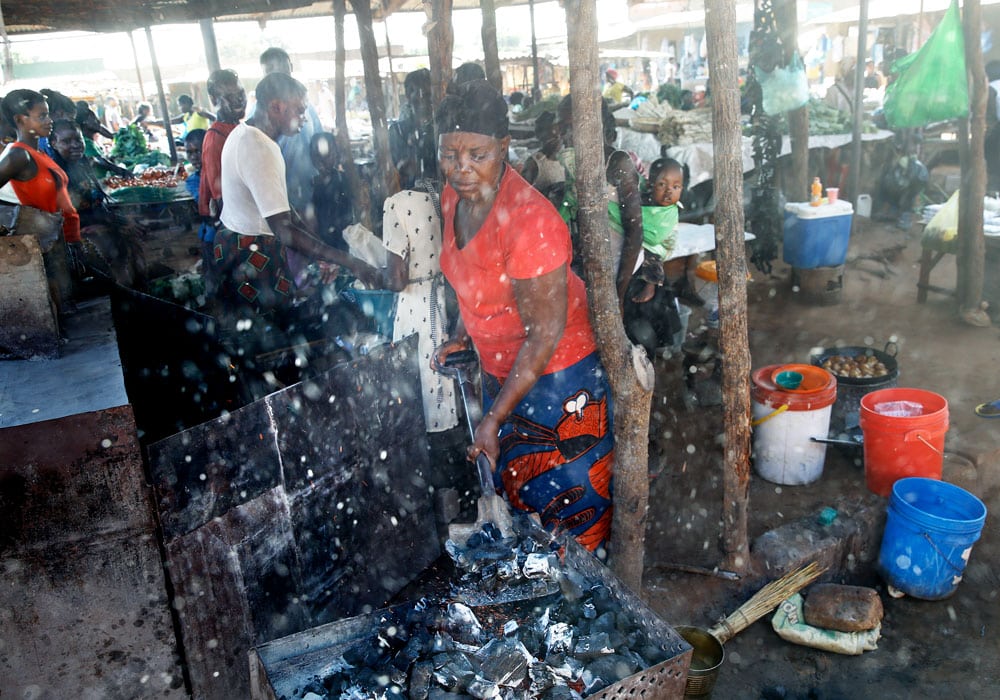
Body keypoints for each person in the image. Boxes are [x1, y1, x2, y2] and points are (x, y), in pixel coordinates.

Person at [432, 79, 615, 554]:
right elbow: (468, 278)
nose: (462, 168)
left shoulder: (532, 221)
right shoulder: (453, 198)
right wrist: (463, 333)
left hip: (558, 378)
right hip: (503, 373)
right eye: (450, 154)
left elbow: (545, 333)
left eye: (477, 154)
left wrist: (493, 416)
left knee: (569, 494)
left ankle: (589, 598)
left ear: (505, 147)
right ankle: (540, 591)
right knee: (518, 487)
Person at [213, 72, 376, 339]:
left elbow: (283, 208)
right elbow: (284, 229)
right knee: (267, 338)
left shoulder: (244, 134)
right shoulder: (259, 148)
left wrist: (321, 254)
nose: (305, 118)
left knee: (247, 332)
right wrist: (351, 262)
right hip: (251, 256)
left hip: (236, 245)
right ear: (277, 107)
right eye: (300, 111)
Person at [374, 187, 459, 434]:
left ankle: (432, 442)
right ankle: (452, 434)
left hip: (417, 306)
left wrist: (371, 272)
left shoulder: (396, 203)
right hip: (446, 297)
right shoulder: (445, 193)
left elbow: (396, 280)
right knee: (448, 378)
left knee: (421, 387)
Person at [556, 93, 644, 307]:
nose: (565, 135)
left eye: (571, 128)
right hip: (587, 266)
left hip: (617, 267)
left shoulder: (618, 163)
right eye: (562, 127)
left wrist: (619, 294)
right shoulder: (574, 161)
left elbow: (635, 232)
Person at [0, 91, 85, 309]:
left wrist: (73, 238)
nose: (50, 121)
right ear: (20, 120)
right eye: (42, 116)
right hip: (42, 248)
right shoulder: (18, 156)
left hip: (59, 241)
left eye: (48, 115)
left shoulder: (40, 154)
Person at [48, 119, 146, 290]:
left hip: (95, 220)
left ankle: (136, 290)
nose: (75, 145)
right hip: (74, 232)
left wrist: (120, 220)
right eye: (66, 141)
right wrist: (118, 222)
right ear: (53, 143)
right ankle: (124, 292)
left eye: (78, 140)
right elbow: (71, 212)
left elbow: (96, 202)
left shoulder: (82, 162)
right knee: (113, 246)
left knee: (135, 240)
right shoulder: (56, 172)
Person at [623, 158, 685, 358]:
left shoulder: (667, 213)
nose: (669, 191)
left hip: (650, 275)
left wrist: (650, 284)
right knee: (636, 325)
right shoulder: (646, 201)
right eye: (662, 185)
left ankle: (646, 360)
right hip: (637, 270)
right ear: (650, 185)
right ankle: (640, 356)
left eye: (676, 187)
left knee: (645, 323)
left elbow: (650, 237)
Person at [260, 47, 324, 221]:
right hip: (281, 201)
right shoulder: (259, 117)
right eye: (272, 73)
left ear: (291, 69)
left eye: (284, 71)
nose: (279, 79)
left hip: (311, 194)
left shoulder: (307, 108)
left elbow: (320, 141)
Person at [199, 69, 247, 290]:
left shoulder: (239, 129)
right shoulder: (215, 138)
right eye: (230, 97)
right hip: (227, 230)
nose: (238, 101)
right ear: (214, 100)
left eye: (241, 94)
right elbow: (220, 197)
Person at [389, 68, 436, 191]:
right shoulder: (397, 131)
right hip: (408, 200)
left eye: (430, 94)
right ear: (409, 95)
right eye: (425, 94)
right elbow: (397, 171)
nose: (428, 99)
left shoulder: (438, 128)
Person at [309, 132, 353, 251]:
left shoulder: (343, 180)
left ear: (335, 155)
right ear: (312, 157)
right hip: (324, 244)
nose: (321, 160)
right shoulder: (312, 185)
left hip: (345, 241)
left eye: (327, 154)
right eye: (317, 155)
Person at [519, 110, 564, 207]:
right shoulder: (535, 163)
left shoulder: (568, 158)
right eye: (554, 135)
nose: (559, 137)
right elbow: (521, 195)